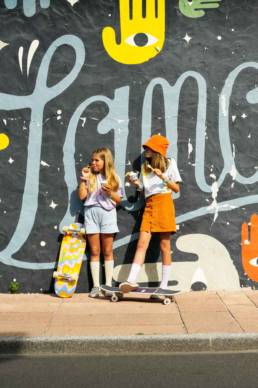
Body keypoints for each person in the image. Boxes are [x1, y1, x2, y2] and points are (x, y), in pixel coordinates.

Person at [119, 134, 182, 295]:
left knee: (164, 246)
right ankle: (131, 281)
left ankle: (164, 285)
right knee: (142, 244)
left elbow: (176, 189)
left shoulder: (170, 163)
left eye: (149, 147)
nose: (145, 149)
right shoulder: (145, 166)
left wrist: (163, 176)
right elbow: (145, 189)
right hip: (149, 205)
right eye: (146, 147)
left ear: (157, 150)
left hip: (164, 203)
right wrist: (136, 183)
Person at [78, 147, 123, 298]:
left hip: (108, 214)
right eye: (92, 160)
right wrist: (83, 179)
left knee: (108, 251)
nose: (93, 163)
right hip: (90, 213)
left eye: (97, 160)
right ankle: (96, 286)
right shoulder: (89, 176)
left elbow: (119, 200)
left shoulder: (114, 178)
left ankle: (108, 285)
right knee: (95, 251)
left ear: (106, 161)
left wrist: (109, 192)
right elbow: (82, 197)